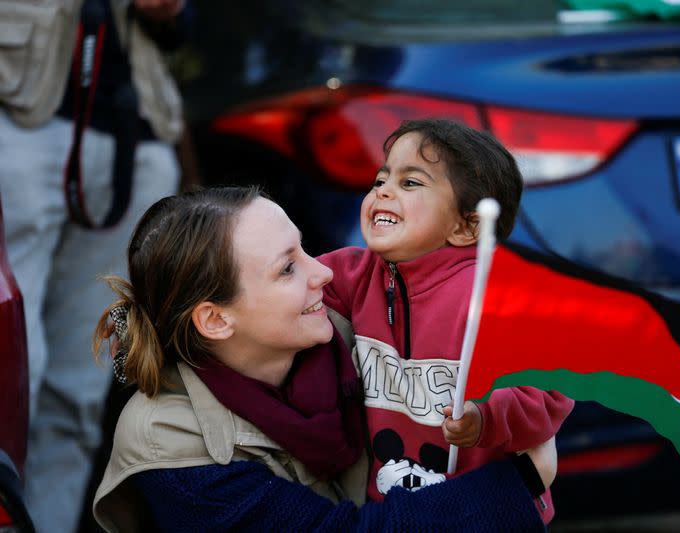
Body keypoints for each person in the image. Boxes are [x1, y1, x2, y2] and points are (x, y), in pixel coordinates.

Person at [90, 186, 552, 531]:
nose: (324, 271)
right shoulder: (168, 443)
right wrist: (521, 481)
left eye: (303, 248)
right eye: (288, 267)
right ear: (215, 320)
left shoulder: (357, 336)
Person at [318, 119, 574, 524]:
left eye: (410, 183)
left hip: (485, 512)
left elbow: (551, 392)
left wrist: (484, 416)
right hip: (390, 510)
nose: (383, 190)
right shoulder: (356, 273)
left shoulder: (493, 299)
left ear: (467, 226)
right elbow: (288, 291)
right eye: (381, 178)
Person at [0, 0, 187, 531]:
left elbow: (180, 32)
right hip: (19, 111)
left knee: (79, 385)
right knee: (13, 369)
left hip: (136, 132)